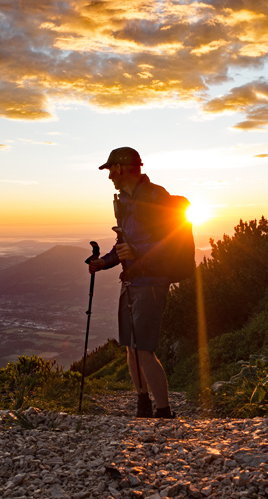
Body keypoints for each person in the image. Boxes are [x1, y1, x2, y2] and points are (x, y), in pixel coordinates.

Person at [88, 147, 175, 419]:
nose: (109, 175)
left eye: (111, 169)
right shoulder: (125, 200)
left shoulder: (155, 196)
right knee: (131, 345)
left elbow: (171, 236)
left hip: (151, 283)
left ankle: (163, 410)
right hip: (132, 282)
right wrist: (104, 262)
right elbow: (123, 244)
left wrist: (138, 253)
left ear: (124, 168)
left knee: (144, 348)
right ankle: (143, 404)